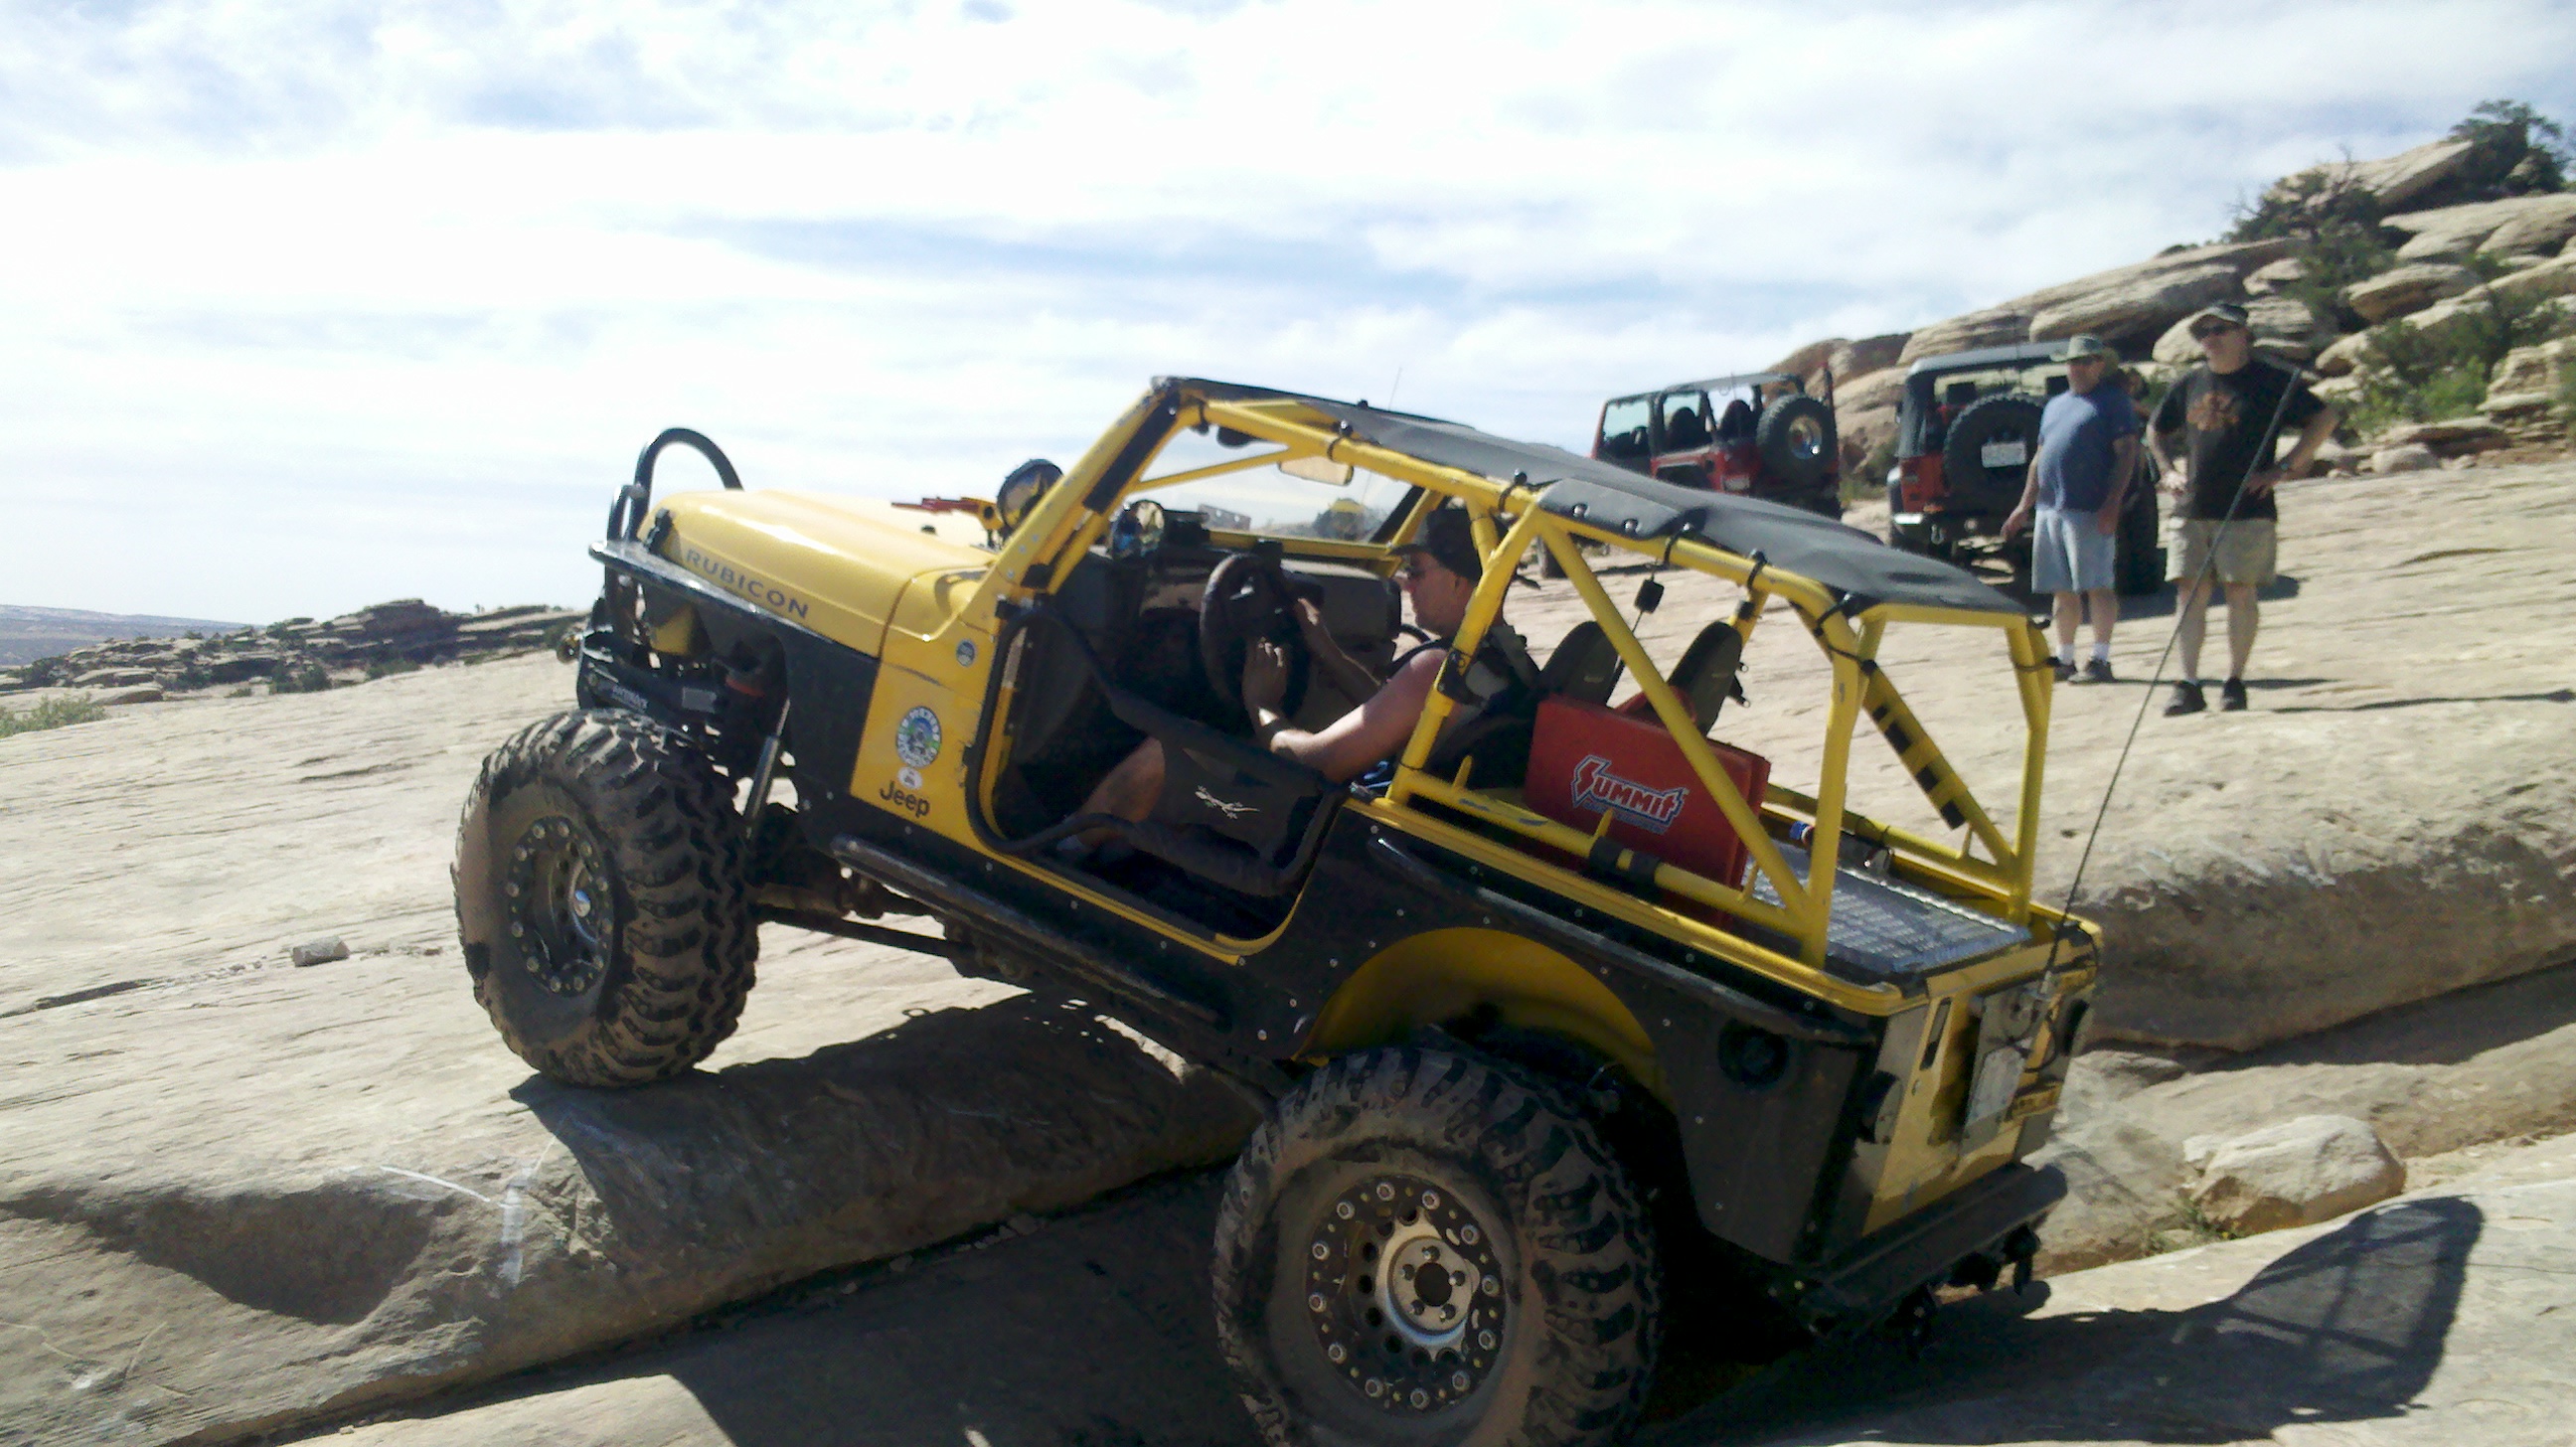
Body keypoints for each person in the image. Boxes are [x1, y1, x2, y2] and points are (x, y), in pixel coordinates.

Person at [1070, 506, 1524, 836]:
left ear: (1460, 581)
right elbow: (1396, 711)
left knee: (1165, 753)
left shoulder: (1435, 669)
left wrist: (1262, 705)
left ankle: (1067, 849)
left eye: (1417, 570)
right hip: (1409, 816)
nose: (1405, 582)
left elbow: (1312, 765)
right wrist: (1324, 648)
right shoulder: (1506, 660)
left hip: (1321, 821)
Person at [2147, 303, 2338, 716]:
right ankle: (2188, 683)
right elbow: (2156, 430)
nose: (2210, 338)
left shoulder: (2272, 381)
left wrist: (2285, 467)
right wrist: (2167, 470)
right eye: (2203, 332)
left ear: (2243, 334)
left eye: (2220, 329)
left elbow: (2324, 418)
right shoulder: (2189, 383)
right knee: (2189, 594)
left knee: (2240, 593)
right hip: (2192, 507)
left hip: (2248, 508)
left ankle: (2234, 680)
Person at [2003, 334, 2141, 684]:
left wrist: (2112, 503)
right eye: (2071, 362)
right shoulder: (2055, 405)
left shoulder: (2113, 401)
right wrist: (2024, 505)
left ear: (2099, 364)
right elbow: (2040, 458)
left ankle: (2100, 659)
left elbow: (2127, 453)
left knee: (2097, 584)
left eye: (2084, 361)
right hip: (2051, 508)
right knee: (2061, 588)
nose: (2076, 368)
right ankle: (2064, 658)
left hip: (2089, 508)